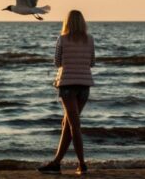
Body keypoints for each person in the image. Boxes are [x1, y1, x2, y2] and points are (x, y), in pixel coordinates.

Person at [37, 10, 95, 176]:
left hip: (67, 85)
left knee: (73, 125)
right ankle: (56, 163)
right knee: (67, 123)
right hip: (84, 85)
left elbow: (57, 63)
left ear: (67, 22)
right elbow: (92, 62)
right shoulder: (90, 39)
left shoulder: (62, 39)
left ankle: (82, 164)